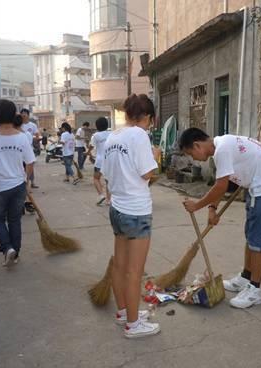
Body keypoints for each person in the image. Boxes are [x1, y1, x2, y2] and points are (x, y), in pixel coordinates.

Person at [179, 128, 261, 309]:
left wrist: (197, 205)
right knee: (251, 236)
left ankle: (254, 290)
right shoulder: (221, 148)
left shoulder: (222, 149)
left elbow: (221, 186)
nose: (194, 159)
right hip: (259, 187)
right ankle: (245, 277)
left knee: (258, 243)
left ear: (197, 145)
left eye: (191, 154)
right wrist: (212, 210)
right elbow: (222, 182)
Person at [102, 94, 161, 339]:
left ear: (126, 114)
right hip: (136, 211)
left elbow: (105, 173)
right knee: (134, 270)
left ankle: (124, 313)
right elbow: (149, 174)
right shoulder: (139, 135)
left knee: (120, 264)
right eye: (150, 120)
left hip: (117, 208)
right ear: (148, 117)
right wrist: (157, 157)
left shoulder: (112, 136)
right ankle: (134, 325)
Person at [0, 100, 35, 267]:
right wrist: (26, 180)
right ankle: (15, 254)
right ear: (13, 115)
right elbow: (30, 161)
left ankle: (7, 248)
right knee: (14, 220)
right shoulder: (22, 137)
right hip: (18, 185)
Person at [87, 117, 110, 205]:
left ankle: (101, 195)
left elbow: (91, 146)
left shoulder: (95, 135)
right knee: (108, 181)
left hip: (100, 161)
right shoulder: (111, 134)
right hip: (109, 160)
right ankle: (109, 200)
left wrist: (88, 152)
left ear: (97, 126)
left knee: (96, 178)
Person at [20, 108, 40, 188]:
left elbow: (37, 135)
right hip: (20, 150)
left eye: (25, 114)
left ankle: (32, 182)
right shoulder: (18, 125)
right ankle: (23, 183)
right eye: (22, 114)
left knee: (30, 167)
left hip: (30, 149)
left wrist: (32, 138)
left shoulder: (32, 125)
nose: (24, 115)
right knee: (21, 167)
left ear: (28, 115)